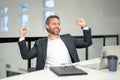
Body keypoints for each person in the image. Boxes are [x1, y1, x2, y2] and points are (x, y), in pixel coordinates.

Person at [18, 15, 92, 70]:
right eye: (54, 24)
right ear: (47, 26)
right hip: (49, 76)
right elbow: (26, 55)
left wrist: (84, 26)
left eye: (58, 24)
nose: (57, 26)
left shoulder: (68, 38)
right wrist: (22, 36)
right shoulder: (40, 43)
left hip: (69, 73)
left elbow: (87, 42)